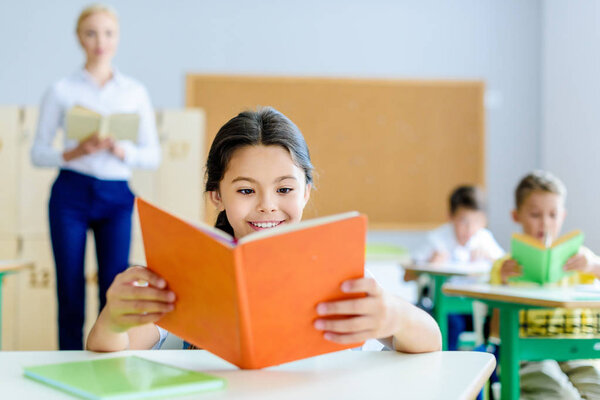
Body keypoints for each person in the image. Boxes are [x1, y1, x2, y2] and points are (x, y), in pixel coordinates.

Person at [86, 107, 441, 354]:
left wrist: (393, 314)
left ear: (306, 191)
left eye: (284, 189)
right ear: (217, 196)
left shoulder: (340, 275)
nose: (267, 205)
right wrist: (115, 318)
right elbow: (111, 350)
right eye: (245, 190)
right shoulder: (188, 278)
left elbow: (430, 341)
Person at [30, 4, 161, 350]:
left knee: (114, 289)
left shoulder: (134, 92)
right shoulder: (61, 90)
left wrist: (122, 152)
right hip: (71, 193)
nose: (100, 41)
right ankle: (68, 364)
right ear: (79, 38)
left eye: (108, 33)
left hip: (117, 196)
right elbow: (38, 152)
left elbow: (153, 154)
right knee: (69, 288)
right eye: (91, 33)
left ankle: (109, 362)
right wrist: (78, 150)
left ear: (117, 38)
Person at [492, 170, 600, 400]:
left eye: (553, 214)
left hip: (577, 351)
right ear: (516, 215)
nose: (544, 223)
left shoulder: (581, 259)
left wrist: (592, 266)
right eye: (535, 214)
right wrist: (502, 282)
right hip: (527, 354)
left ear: (563, 215)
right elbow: (494, 331)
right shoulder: (504, 266)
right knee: (562, 395)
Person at [410, 185, 504, 350]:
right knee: (449, 325)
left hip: (478, 305)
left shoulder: (484, 238)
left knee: (497, 322)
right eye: (463, 221)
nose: (469, 229)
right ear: (450, 217)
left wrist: (490, 258)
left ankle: (492, 371)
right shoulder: (437, 239)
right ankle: (444, 363)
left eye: (476, 222)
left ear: (483, 221)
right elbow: (408, 275)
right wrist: (429, 265)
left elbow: (505, 266)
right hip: (446, 306)